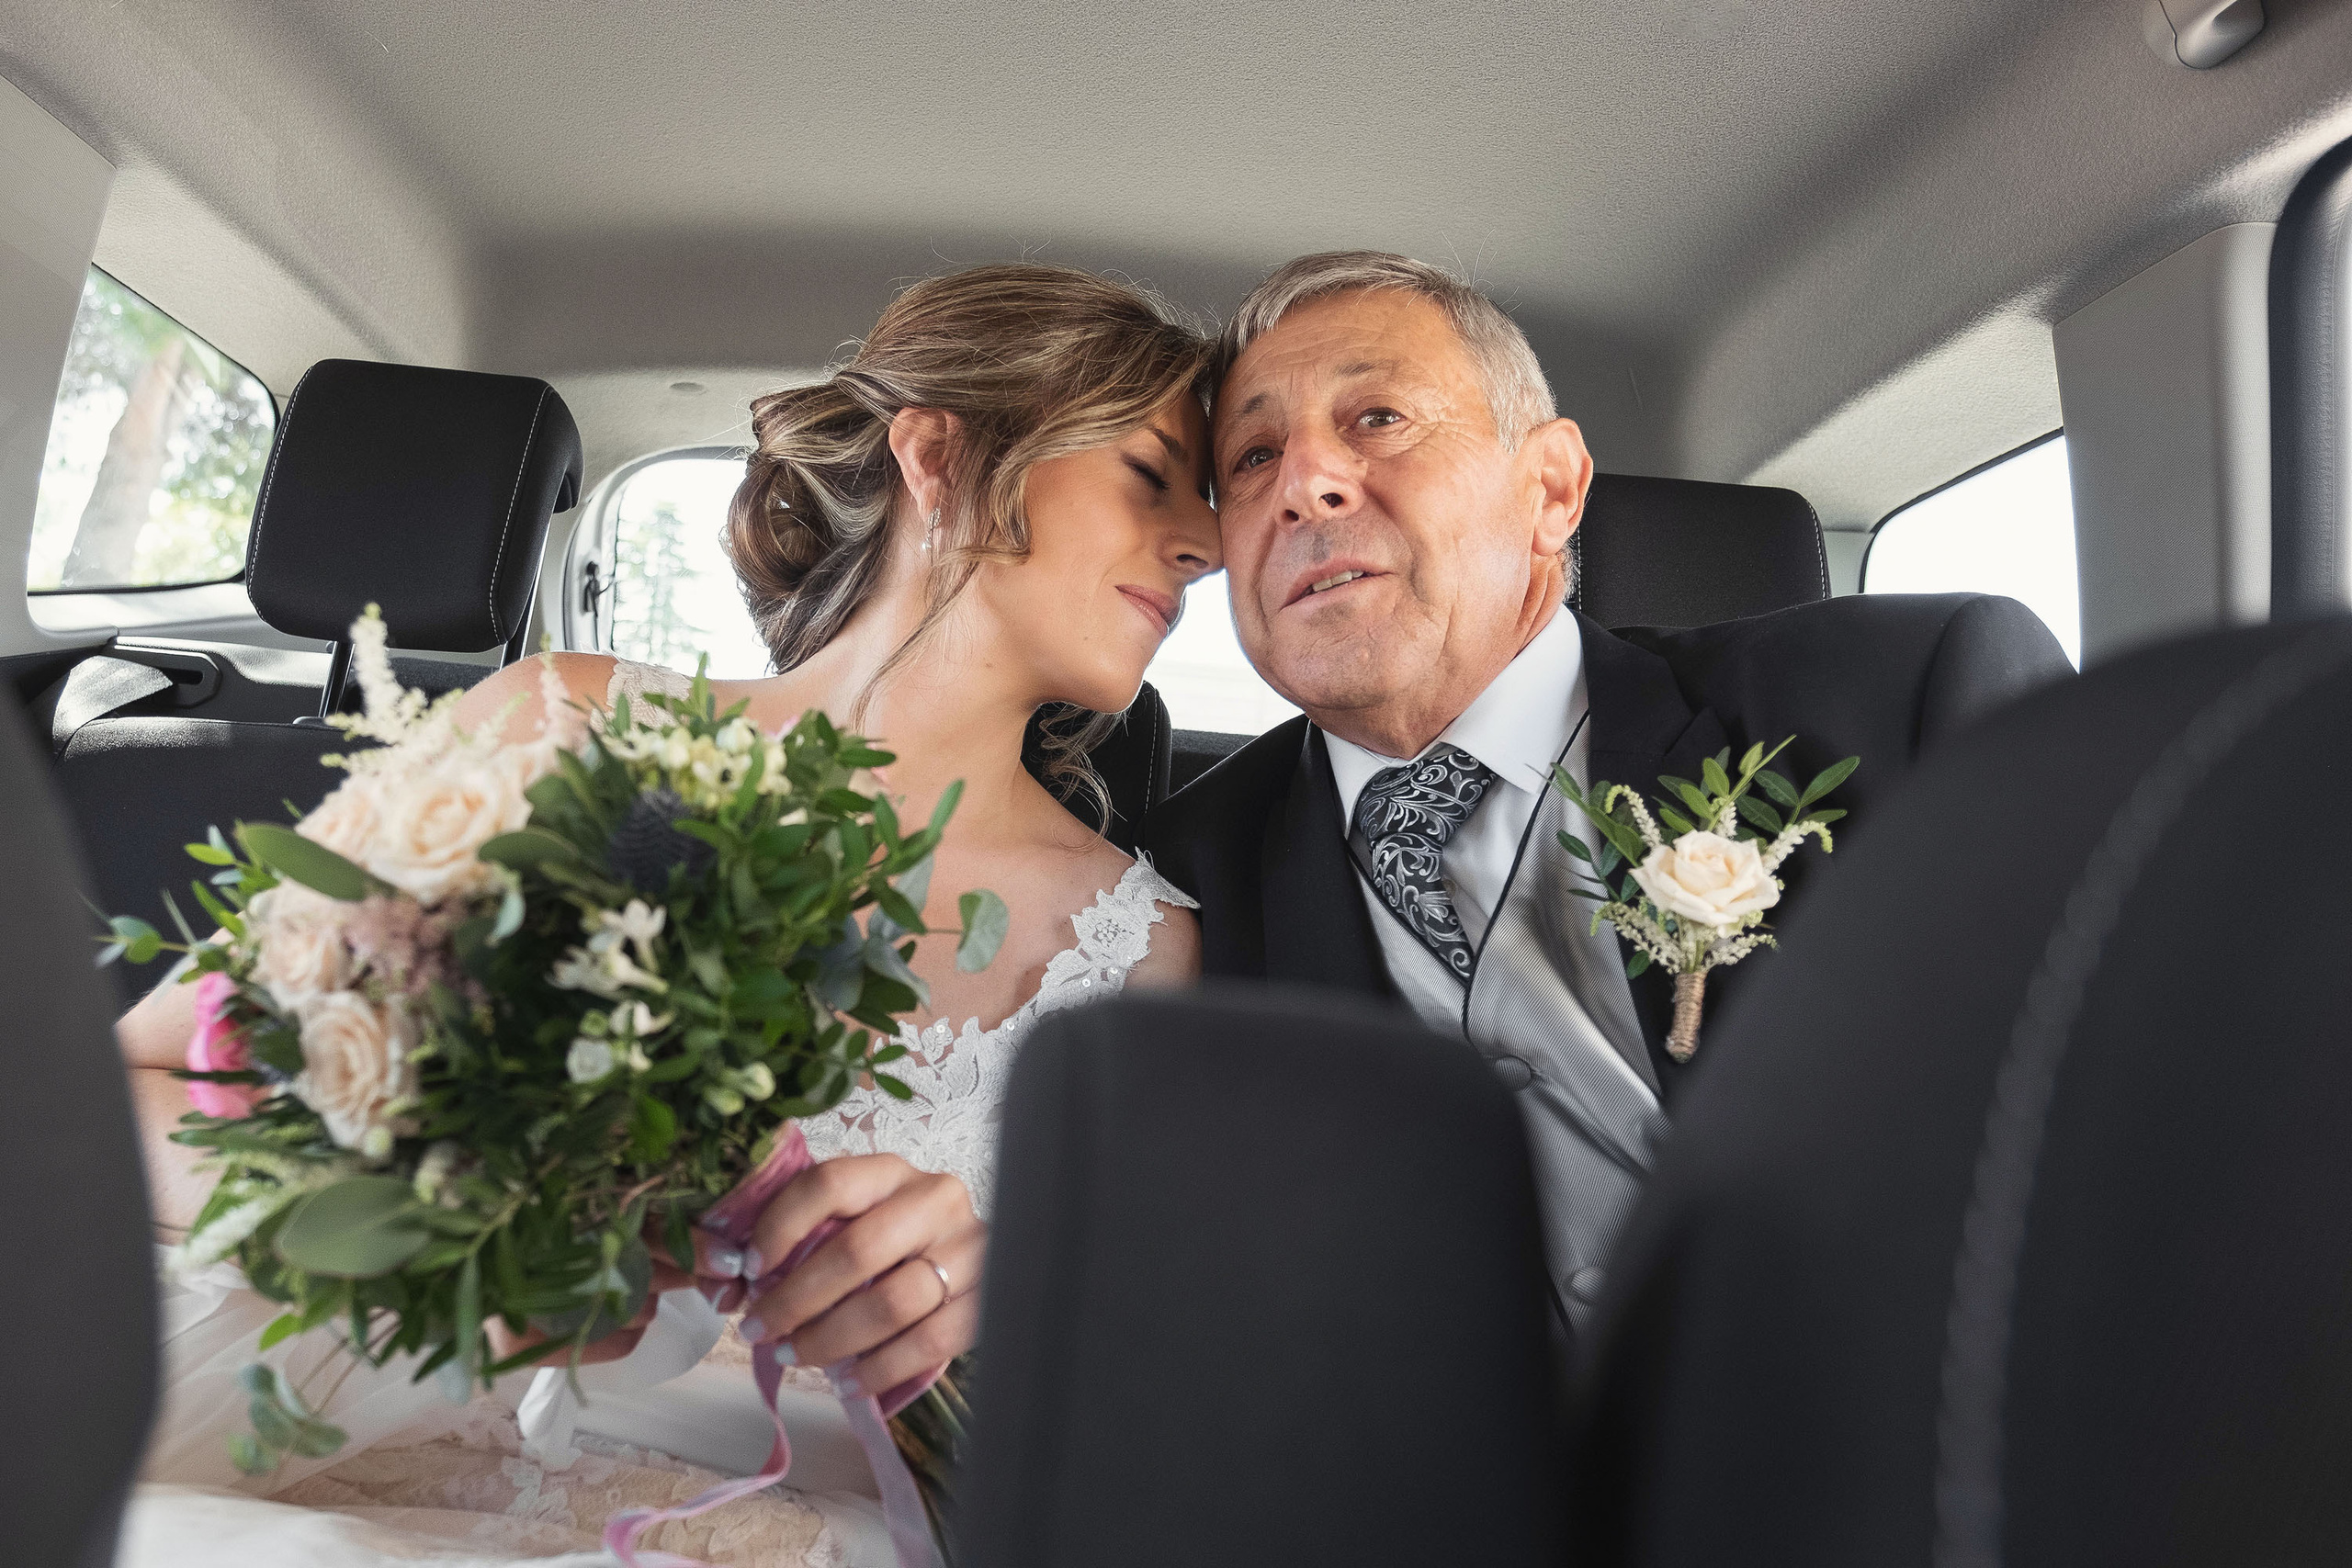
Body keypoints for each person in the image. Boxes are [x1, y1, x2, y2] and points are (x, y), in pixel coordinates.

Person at [115, 263, 1219, 1567]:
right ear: (944, 455)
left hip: (788, 1510)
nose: (1201, 542)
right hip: (356, 1418)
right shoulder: (554, 720)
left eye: (1207, 502)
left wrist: (984, 1303)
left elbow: (1150, 1398)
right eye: (1151, 475)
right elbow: (127, 1093)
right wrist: (436, 1210)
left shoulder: (1144, 948)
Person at [1147, 251, 2070, 1336]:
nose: (1304, 482)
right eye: (1252, 456)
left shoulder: (1905, 698)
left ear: (1549, 490)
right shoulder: (1174, 875)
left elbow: (2119, 1147)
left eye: (1380, 419)